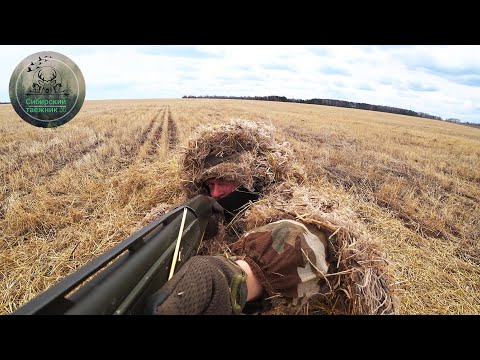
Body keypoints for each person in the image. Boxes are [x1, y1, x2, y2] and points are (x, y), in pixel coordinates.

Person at [142, 119, 397, 315]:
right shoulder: (212, 206)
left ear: (253, 180)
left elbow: (304, 242)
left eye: (224, 181)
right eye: (210, 184)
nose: (216, 192)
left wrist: (225, 278)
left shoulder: (294, 204)